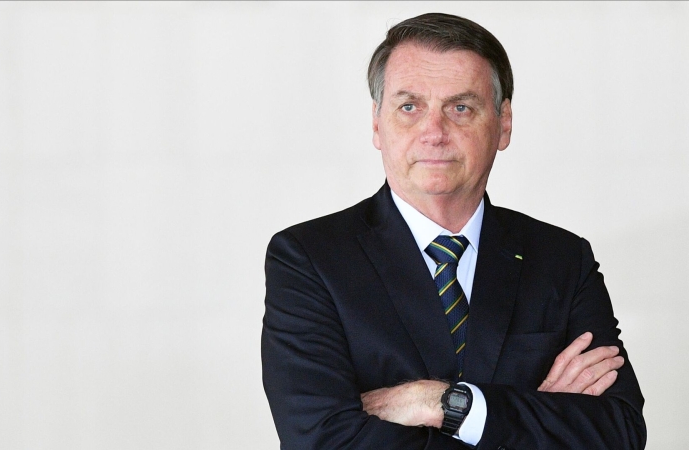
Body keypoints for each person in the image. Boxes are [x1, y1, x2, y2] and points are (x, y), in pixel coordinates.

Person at [261, 12, 646, 450]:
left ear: (503, 123)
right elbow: (322, 441)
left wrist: (440, 402)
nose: (434, 132)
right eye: (409, 107)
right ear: (377, 123)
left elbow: (620, 432)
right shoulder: (309, 259)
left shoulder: (562, 259)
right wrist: (530, 419)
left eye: (460, 108)